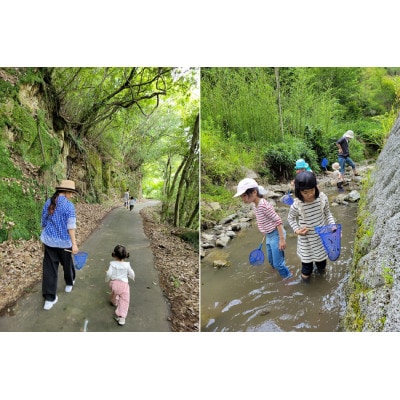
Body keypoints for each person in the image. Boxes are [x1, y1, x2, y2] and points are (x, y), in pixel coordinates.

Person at [233, 178, 292, 280]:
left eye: (244, 195)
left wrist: (282, 240)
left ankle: (288, 279)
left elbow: (278, 221)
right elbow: (262, 219)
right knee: (271, 262)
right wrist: (264, 231)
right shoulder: (255, 205)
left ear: (254, 192)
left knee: (278, 264)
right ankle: (279, 274)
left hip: (277, 235)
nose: (243, 199)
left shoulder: (263, 205)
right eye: (242, 196)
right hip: (269, 236)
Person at [287, 171, 336, 281]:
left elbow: (328, 214)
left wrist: (333, 227)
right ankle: (306, 287)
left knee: (322, 265)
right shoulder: (297, 205)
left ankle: (321, 282)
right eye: (305, 192)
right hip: (306, 241)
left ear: (316, 187)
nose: (310, 194)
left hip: (321, 239)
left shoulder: (322, 199)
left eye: (312, 190)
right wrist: (297, 230)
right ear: (299, 191)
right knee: (306, 269)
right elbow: (290, 218)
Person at [40, 179, 79, 310]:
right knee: (67, 263)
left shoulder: (49, 202)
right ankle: (69, 282)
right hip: (64, 242)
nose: (72, 195)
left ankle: (50, 299)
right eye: (71, 193)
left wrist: (49, 231)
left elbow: (44, 221)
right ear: (66, 192)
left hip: (49, 241)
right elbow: (71, 227)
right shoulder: (69, 206)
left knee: (50, 269)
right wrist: (74, 244)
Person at [105, 244, 135, 326]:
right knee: (125, 300)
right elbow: (132, 273)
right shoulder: (127, 265)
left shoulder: (112, 264)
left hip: (114, 283)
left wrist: (107, 279)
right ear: (125, 255)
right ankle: (121, 318)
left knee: (114, 293)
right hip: (124, 285)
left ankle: (114, 302)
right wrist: (131, 277)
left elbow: (109, 273)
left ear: (114, 255)